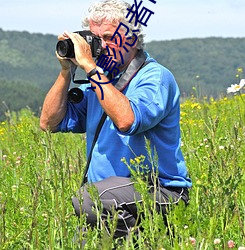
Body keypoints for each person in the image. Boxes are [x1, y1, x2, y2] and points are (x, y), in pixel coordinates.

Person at [40, 0, 192, 244]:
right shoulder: (99, 81)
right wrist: (66, 70)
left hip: (160, 192)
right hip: (110, 199)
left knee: (88, 200)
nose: (100, 46)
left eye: (109, 37)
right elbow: (49, 123)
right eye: (95, 37)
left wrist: (90, 67)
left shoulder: (154, 77)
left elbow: (127, 120)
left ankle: (146, 241)